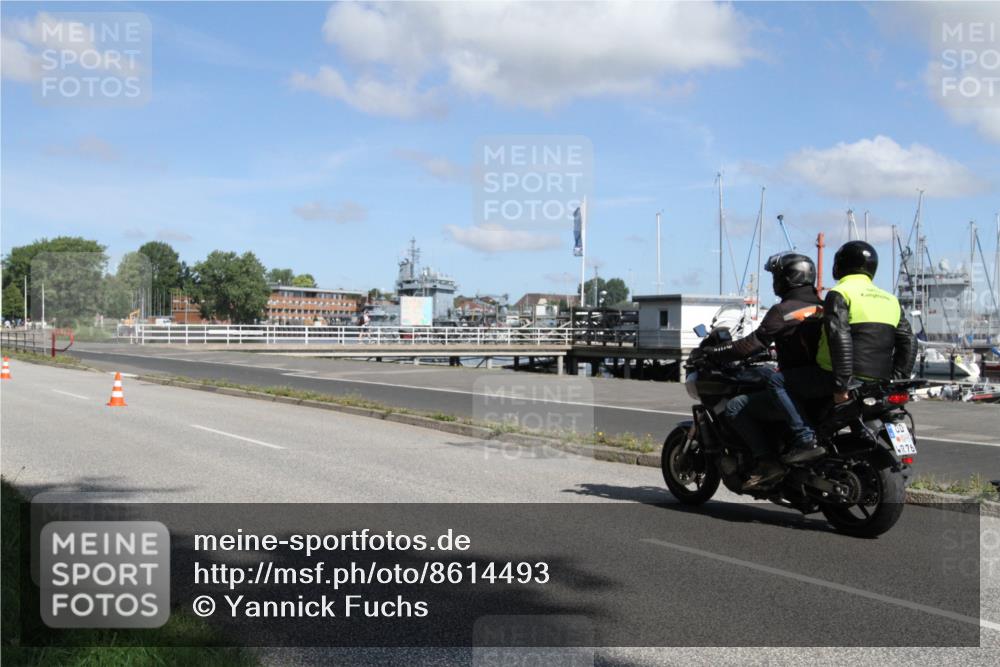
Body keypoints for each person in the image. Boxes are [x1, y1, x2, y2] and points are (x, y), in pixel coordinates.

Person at [781, 240, 917, 463]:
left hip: (836, 376)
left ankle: (804, 440)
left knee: (777, 382)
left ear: (840, 266)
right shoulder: (890, 299)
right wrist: (897, 379)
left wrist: (841, 384)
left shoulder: (840, 293)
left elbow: (839, 338)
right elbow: (909, 340)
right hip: (878, 382)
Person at [705, 251, 824, 489]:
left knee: (736, 406)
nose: (775, 282)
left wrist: (715, 352)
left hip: (797, 383)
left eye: (777, 276)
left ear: (788, 279)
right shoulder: (822, 306)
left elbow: (751, 344)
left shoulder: (783, 311)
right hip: (821, 381)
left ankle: (767, 461)